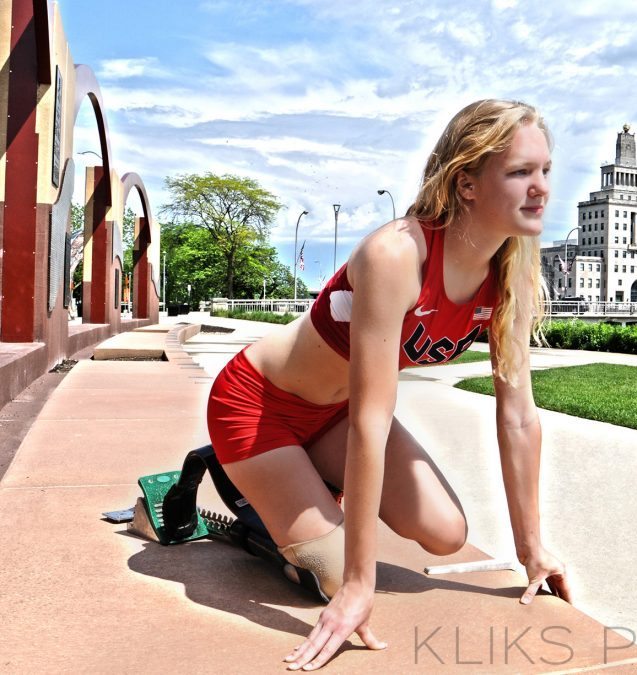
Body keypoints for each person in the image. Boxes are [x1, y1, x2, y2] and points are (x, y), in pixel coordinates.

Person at [204, 99, 572, 671]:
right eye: (521, 172)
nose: (541, 188)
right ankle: (238, 482)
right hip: (259, 407)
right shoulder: (396, 253)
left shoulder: (513, 272)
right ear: (467, 183)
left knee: (447, 533)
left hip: (334, 417)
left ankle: (308, 486)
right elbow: (373, 420)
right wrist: (357, 583)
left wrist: (532, 549)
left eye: (545, 170)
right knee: (326, 575)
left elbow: (519, 415)